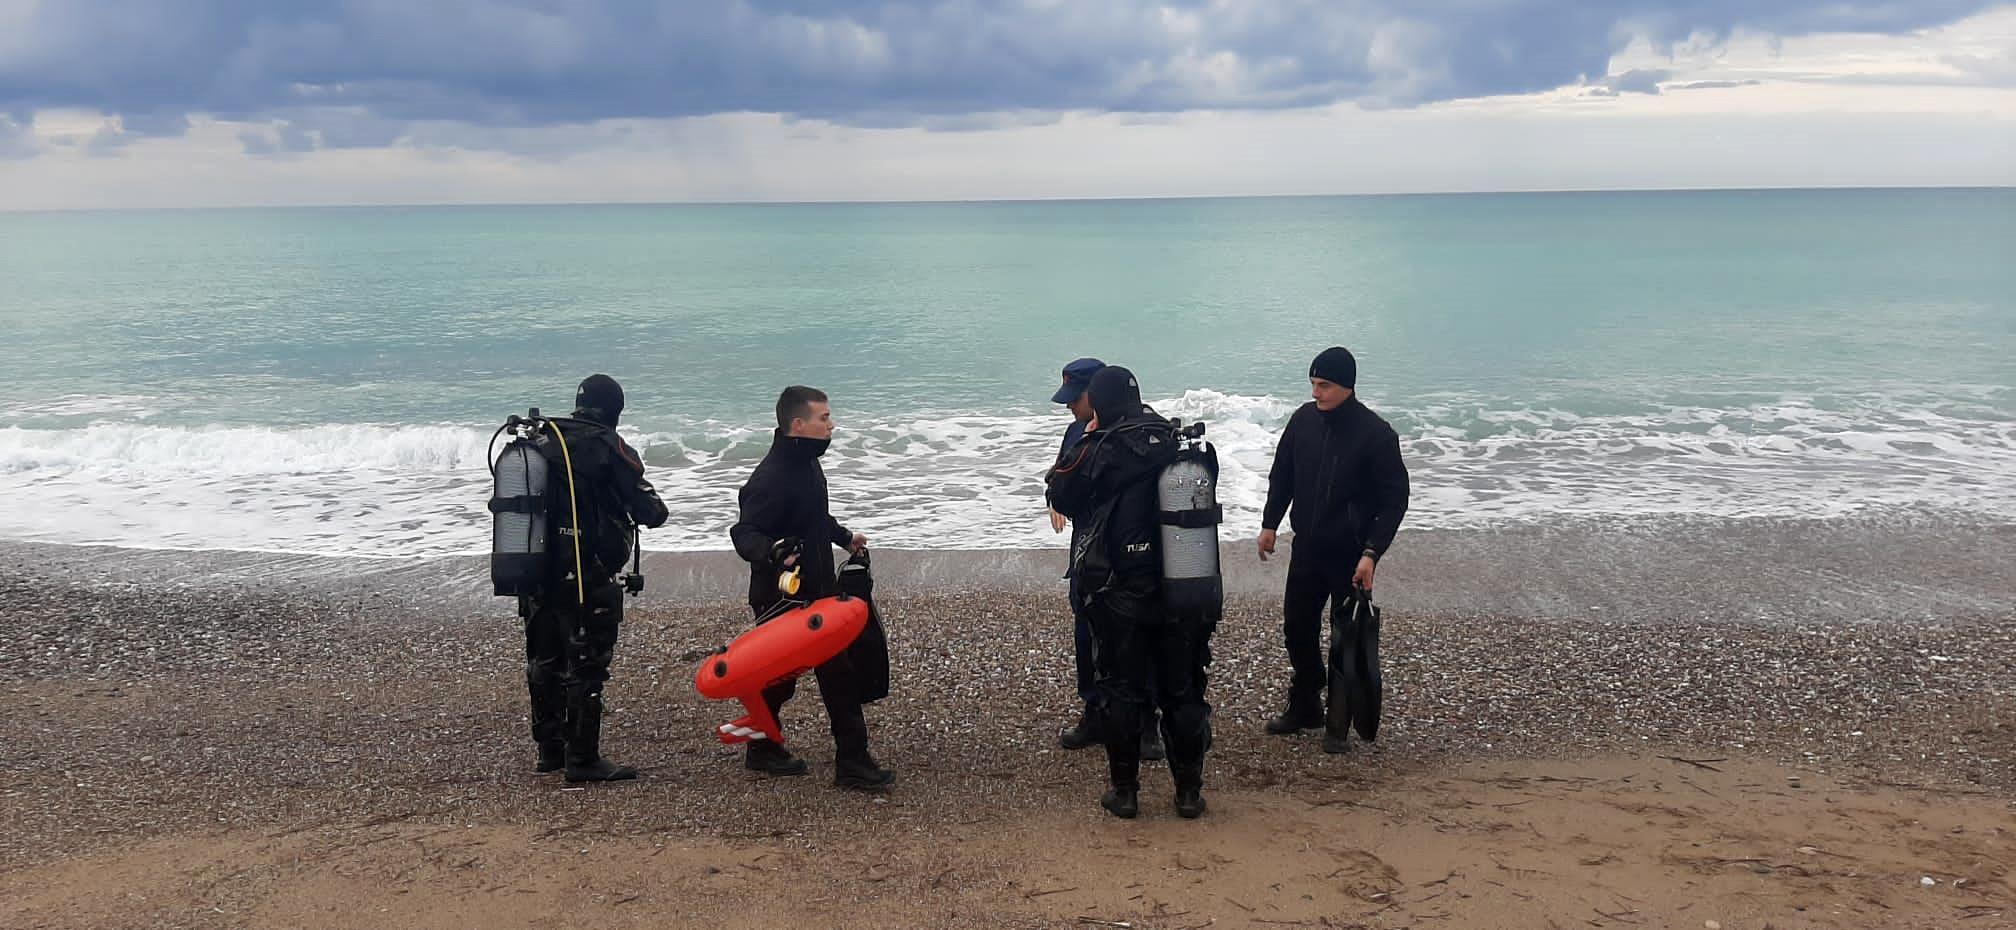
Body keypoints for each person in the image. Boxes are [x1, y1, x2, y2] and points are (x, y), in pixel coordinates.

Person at [1047, 366, 1213, 819]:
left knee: (1121, 688)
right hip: (1185, 586)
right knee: (1184, 690)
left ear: (1098, 405)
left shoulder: (1102, 448)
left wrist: (1091, 435)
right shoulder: (1174, 441)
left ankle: (1125, 793)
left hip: (1122, 591)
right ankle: (1188, 795)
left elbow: (1060, 493)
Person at [729, 385, 895, 790]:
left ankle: (773, 748)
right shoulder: (771, 477)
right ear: (798, 425)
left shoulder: (803, 462)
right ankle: (847, 760)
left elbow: (813, 515)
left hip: (816, 590)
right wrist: (772, 550)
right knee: (810, 677)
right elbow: (744, 531)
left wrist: (843, 536)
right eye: (824, 418)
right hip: (782, 598)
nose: (831, 424)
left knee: (815, 676)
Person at [1256, 347, 1410, 752]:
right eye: (1312, 384)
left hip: (1350, 555)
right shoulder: (1303, 421)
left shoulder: (1376, 435)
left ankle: (1338, 724)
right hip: (1307, 547)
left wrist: (1372, 553)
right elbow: (1282, 475)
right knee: (1296, 629)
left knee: (1346, 639)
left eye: (1324, 385)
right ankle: (1306, 703)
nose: (1316, 392)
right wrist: (1269, 524)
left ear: (1347, 386)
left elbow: (1395, 501)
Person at [522, 374, 669, 783]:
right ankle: (583, 758)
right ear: (616, 411)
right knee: (587, 663)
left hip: (536, 571)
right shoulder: (606, 446)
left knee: (545, 659)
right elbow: (651, 512)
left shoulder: (540, 441)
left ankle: (549, 751)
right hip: (586, 574)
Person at [1050, 358, 1164, 762]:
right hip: (1089, 554)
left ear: (1096, 395)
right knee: (1088, 637)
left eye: (1075, 399)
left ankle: (1148, 722)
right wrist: (1054, 498)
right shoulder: (1076, 431)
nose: (1069, 407)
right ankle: (1095, 712)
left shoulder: (1146, 433)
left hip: (1136, 559)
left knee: (1141, 641)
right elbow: (1059, 479)